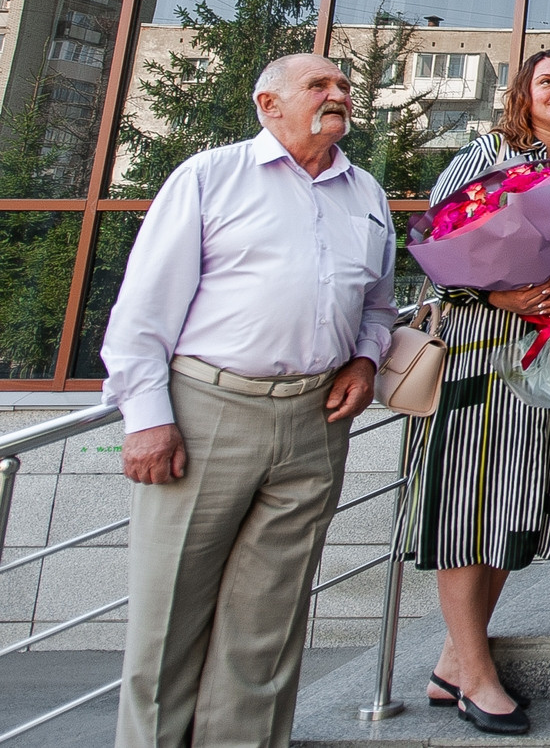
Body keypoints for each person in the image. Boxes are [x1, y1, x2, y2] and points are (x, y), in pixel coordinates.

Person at [101, 54, 394, 748]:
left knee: (267, 627)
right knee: (168, 621)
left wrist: (366, 357)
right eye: (319, 86)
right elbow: (142, 311)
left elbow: (378, 306)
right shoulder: (210, 177)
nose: (337, 96)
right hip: (208, 413)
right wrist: (147, 418)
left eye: (345, 87)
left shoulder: (366, 193)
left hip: (316, 418)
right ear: (268, 103)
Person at [406, 48, 550, 735]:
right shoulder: (484, 155)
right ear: (524, 93)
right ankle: (478, 676)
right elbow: (433, 239)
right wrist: (498, 288)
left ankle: (457, 655)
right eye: (547, 80)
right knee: (467, 507)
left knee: (518, 506)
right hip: (481, 356)